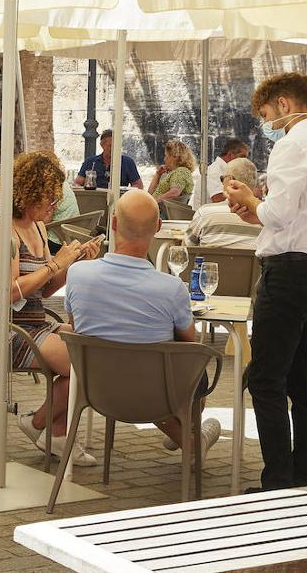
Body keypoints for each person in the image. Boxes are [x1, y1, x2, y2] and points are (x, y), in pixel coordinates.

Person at [222, 71, 307, 492]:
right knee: (301, 378)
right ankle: (303, 473)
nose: (266, 123)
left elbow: (277, 215)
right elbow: (303, 214)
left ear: (282, 104)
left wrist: (250, 201)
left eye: (265, 114)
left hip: (291, 272)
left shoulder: (292, 145)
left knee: (266, 378)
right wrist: (254, 208)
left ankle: (278, 478)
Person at [66, 190, 222, 455]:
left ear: (113, 223)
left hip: (97, 389)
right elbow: (190, 343)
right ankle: (192, 440)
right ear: (158, 227)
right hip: (156, 394)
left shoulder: (77, 273)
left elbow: (76, 324)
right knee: (194, 367)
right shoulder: (172, 289)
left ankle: (188, 437)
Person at [0, 152, 101, 465]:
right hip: (1, 328)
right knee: (84, 363)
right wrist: (55, 265)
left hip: (33, 322)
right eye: (48, 198)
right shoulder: (0, 230)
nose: (53, 205)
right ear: (28, 195)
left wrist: (74, 263)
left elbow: (44, 290)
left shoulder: (35, 228)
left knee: (97, 347)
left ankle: (52, 430)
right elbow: (8, 292)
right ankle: (42, 426)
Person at [186, 157, 261, 250]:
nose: (222, 183)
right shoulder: (267, 220)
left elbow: (188, 247)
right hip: (255, 264)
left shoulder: (204, 214)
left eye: (222, 178)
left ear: (230, 180)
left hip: (210, 264)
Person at [74, 129, 144, 189]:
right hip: (94, 199)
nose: (114, 149)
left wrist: (126, 193)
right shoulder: (90, 162)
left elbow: (138, 185)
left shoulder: (127, 162)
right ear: (102, 145)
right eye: (110, 146)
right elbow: (77, 183)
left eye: (116, 145)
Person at [194, 138, 250, 208]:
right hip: (207, 215)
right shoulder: (214, 170)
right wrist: (249, 194)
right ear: (230, 155)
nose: (245, 161)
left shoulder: (226, 170)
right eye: (242, 156)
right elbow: (217, 199)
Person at [149, 139, 196, 207]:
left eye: (166, 155)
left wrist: (153, 202)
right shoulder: (177, 172)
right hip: (157, 209)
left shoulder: (181, 172)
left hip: (162, 211)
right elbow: (149, 194)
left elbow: (174, 193)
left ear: (174, 156)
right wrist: (158, 174)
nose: (164, 159)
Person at [46, 175, 81, 253]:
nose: (54, 206)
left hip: (55, 240)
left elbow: (45, 221)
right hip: (71, 238)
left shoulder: (50, 186)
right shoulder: (62, 183)